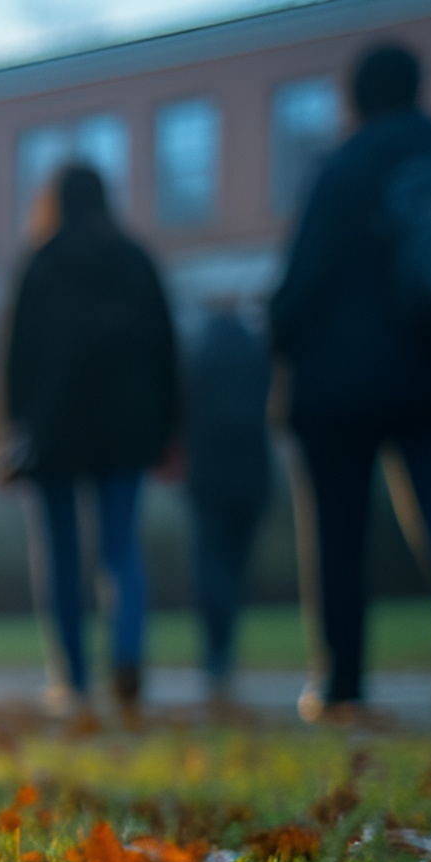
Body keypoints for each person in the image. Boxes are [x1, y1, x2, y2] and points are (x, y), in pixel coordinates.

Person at [270, 41, 431, 721]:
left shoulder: (341, 170)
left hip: (339, 388)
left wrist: (277, 335)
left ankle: (342, 682)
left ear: (356, 99)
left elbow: (302, 281)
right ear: (417, 90)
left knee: (339, 532)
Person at [0, 162, 179, 716]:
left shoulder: (41, 264)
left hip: (54, 432)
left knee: (61, 556)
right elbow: (166, 352)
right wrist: (170, 427)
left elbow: (15, 359)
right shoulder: (135, 260)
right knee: (121, 548)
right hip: (126, 429)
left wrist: (11, 430)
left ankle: (71, 677)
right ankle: (126, 653)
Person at [181, 302, 274, 706]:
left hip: (208, 473)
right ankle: (225, 643)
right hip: (252, 472)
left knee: (211, 560)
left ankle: (218, 649)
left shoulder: (199, 356)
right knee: (235, 562)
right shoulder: (258, 353)